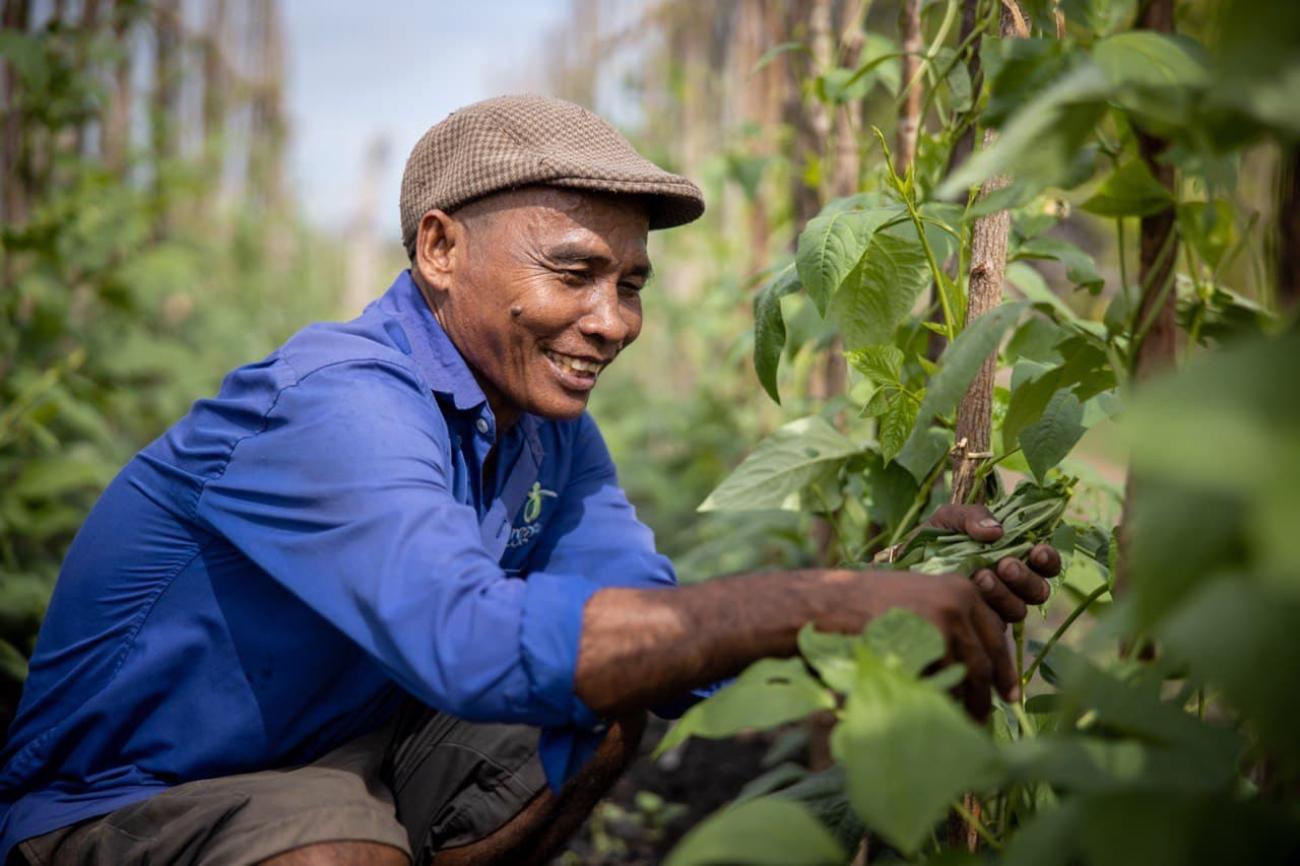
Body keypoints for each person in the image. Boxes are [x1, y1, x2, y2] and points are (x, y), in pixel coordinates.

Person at [0, 95, 1057, 866]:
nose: (612, 320)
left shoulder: (539, 425)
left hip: (340, 747)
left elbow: (668, 633)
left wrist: (901, 607)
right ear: (439, 247)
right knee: (331, 850)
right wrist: (822, 596)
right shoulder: (339, 402)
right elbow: (465, 642)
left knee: (604, 695)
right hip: (124, 798)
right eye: (574, 271)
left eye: (630, 283)